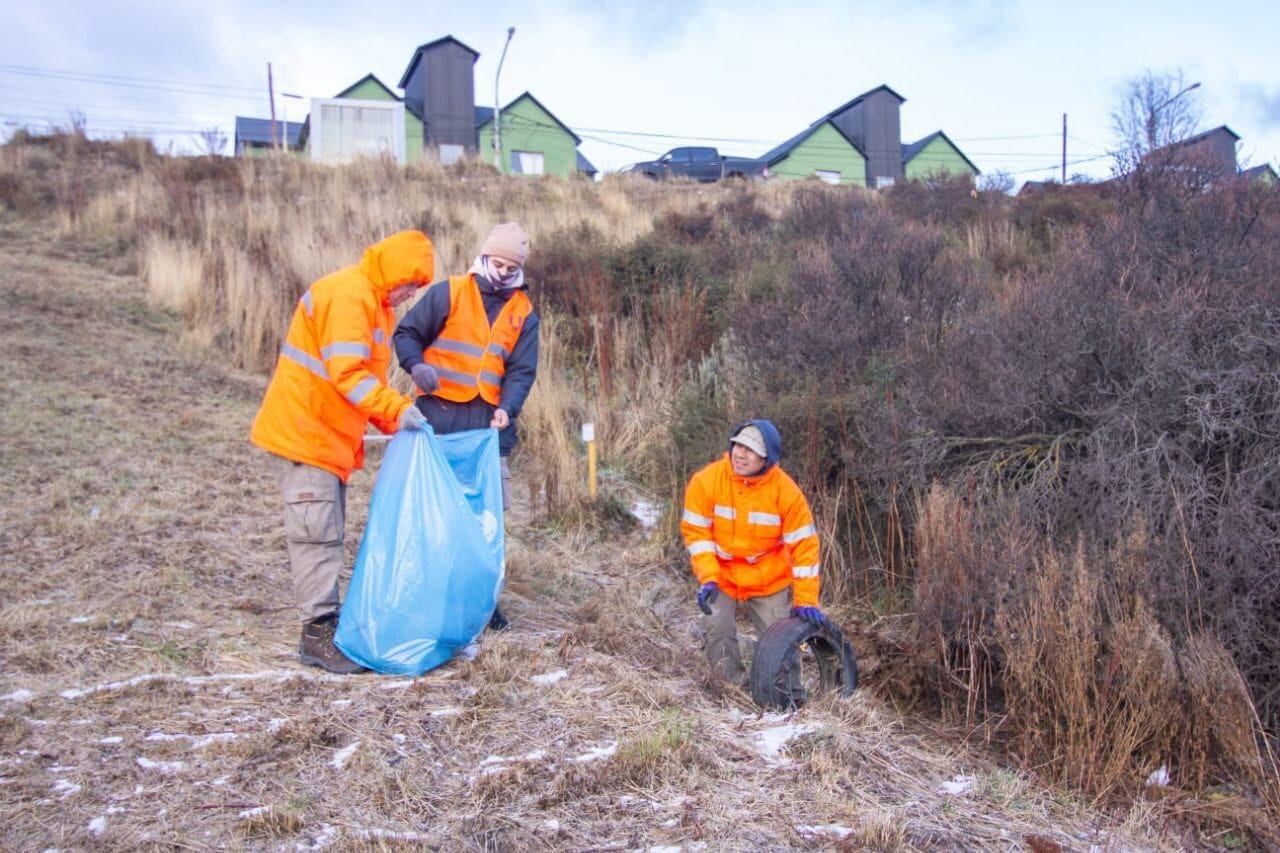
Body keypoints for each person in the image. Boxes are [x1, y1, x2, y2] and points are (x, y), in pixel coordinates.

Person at [251, 230, 436, 674]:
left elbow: (369, 382)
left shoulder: (373, 304)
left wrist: (397, 421)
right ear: (394, 272)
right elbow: (349, 375)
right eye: (411, 283)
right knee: (316, 531)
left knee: (326, 529)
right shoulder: (351, 296)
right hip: (306, 432)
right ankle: (316, 634)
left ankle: (326, 627)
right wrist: (398, 411)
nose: (412, 294)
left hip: (324, 435)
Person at [392, 222, 540, 630]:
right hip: (437, 419)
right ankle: (427, 593)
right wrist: (416, 366)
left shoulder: (524, 312)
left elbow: (522, 371)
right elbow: (406, 334)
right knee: (432, 510)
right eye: (498, 263)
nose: (504, 272)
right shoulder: (449, 292)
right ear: (485, 257)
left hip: (489, 427)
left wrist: (508, 407)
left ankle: (481, 601)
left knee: (485, 517)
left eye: (512, 267)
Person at [680, 419, 827, 686]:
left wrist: (806, 599)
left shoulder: (787, 492)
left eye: (751, 450)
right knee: (717, 626)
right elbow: (697, 533)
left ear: (767, 458)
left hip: (767, 577)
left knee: (780, 640)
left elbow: (805, 546)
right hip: (722, 574)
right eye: (738, 445)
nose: (740, 454)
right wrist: (708, 578)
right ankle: (730, 687)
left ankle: (784, 695)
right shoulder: (706, 481)